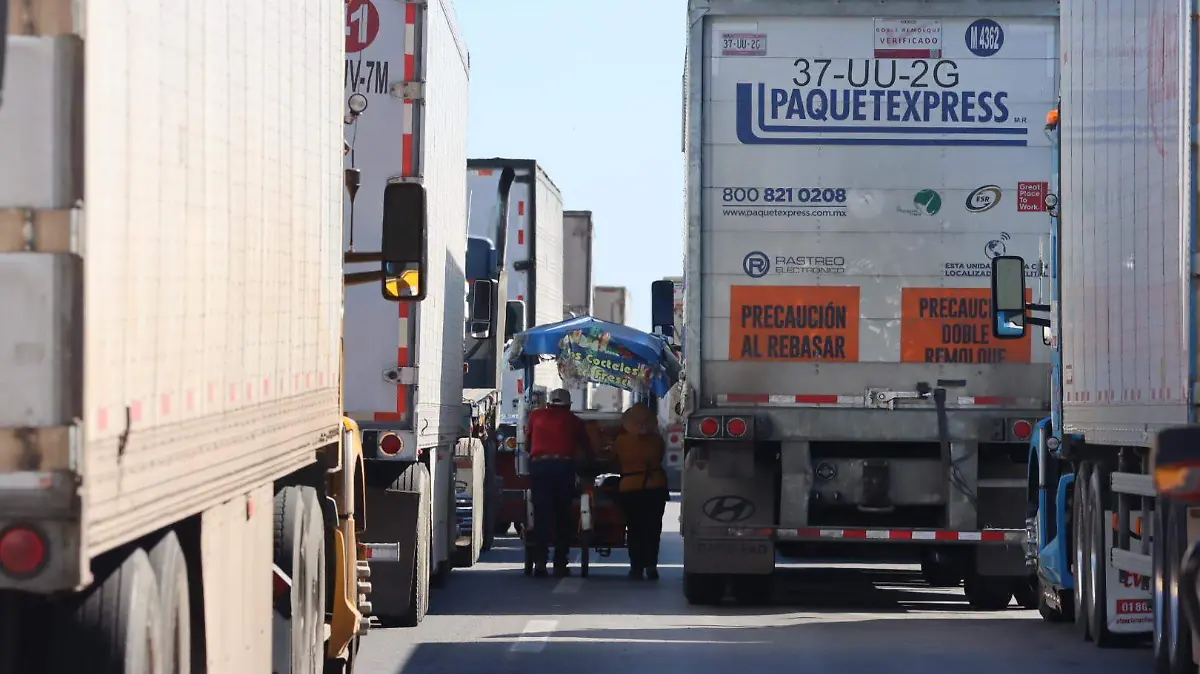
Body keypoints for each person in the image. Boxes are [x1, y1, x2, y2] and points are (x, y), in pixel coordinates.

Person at [526, 388, 592, 577]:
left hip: (539, 468)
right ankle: (560, 562)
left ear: (548, 403)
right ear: (569, 405)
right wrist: (591, 465)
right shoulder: (574, 421)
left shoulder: (536, 416)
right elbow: (586, 448)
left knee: (542, 516)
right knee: (563, 516)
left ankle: (540, 561)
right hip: (563, 469)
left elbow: (529, 444)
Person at [613, 403, 669, 580]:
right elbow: (660, 457)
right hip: (655, 487)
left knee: (634, 529)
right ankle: (651, 565)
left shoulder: (621, 441)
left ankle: (636, 567)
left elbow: (614, 460)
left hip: (630, 488)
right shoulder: (657, 441)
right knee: (653, 528)